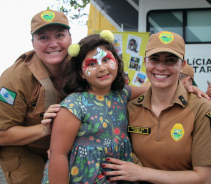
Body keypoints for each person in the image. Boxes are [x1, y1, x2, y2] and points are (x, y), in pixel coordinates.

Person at [101, 31, 211, 183]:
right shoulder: (129, 108)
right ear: (145, 62)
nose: (160, 67)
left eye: (170, 60)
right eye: (154, 59)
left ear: (182, 66)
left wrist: (142, 173)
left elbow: (204, 178)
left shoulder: (202, 110)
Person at [41, 30, 147, 184]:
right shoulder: (73, 106)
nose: (102, 68)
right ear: (81, 73)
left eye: (106, 60)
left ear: (116, 62)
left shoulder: (122, 93)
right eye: (91, 64)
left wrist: (188, 86)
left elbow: (154, 87)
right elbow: (58, 155)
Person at [0, 10, 72, 184]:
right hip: (23, 148)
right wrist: (43, 129)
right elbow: (2, 134)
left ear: (70, 38)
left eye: (60, 35)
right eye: (43, 38)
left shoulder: (82, 66)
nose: (53, 44)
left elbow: (119, 90)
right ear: (33, 44)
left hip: (64, 145)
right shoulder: (14, 79)